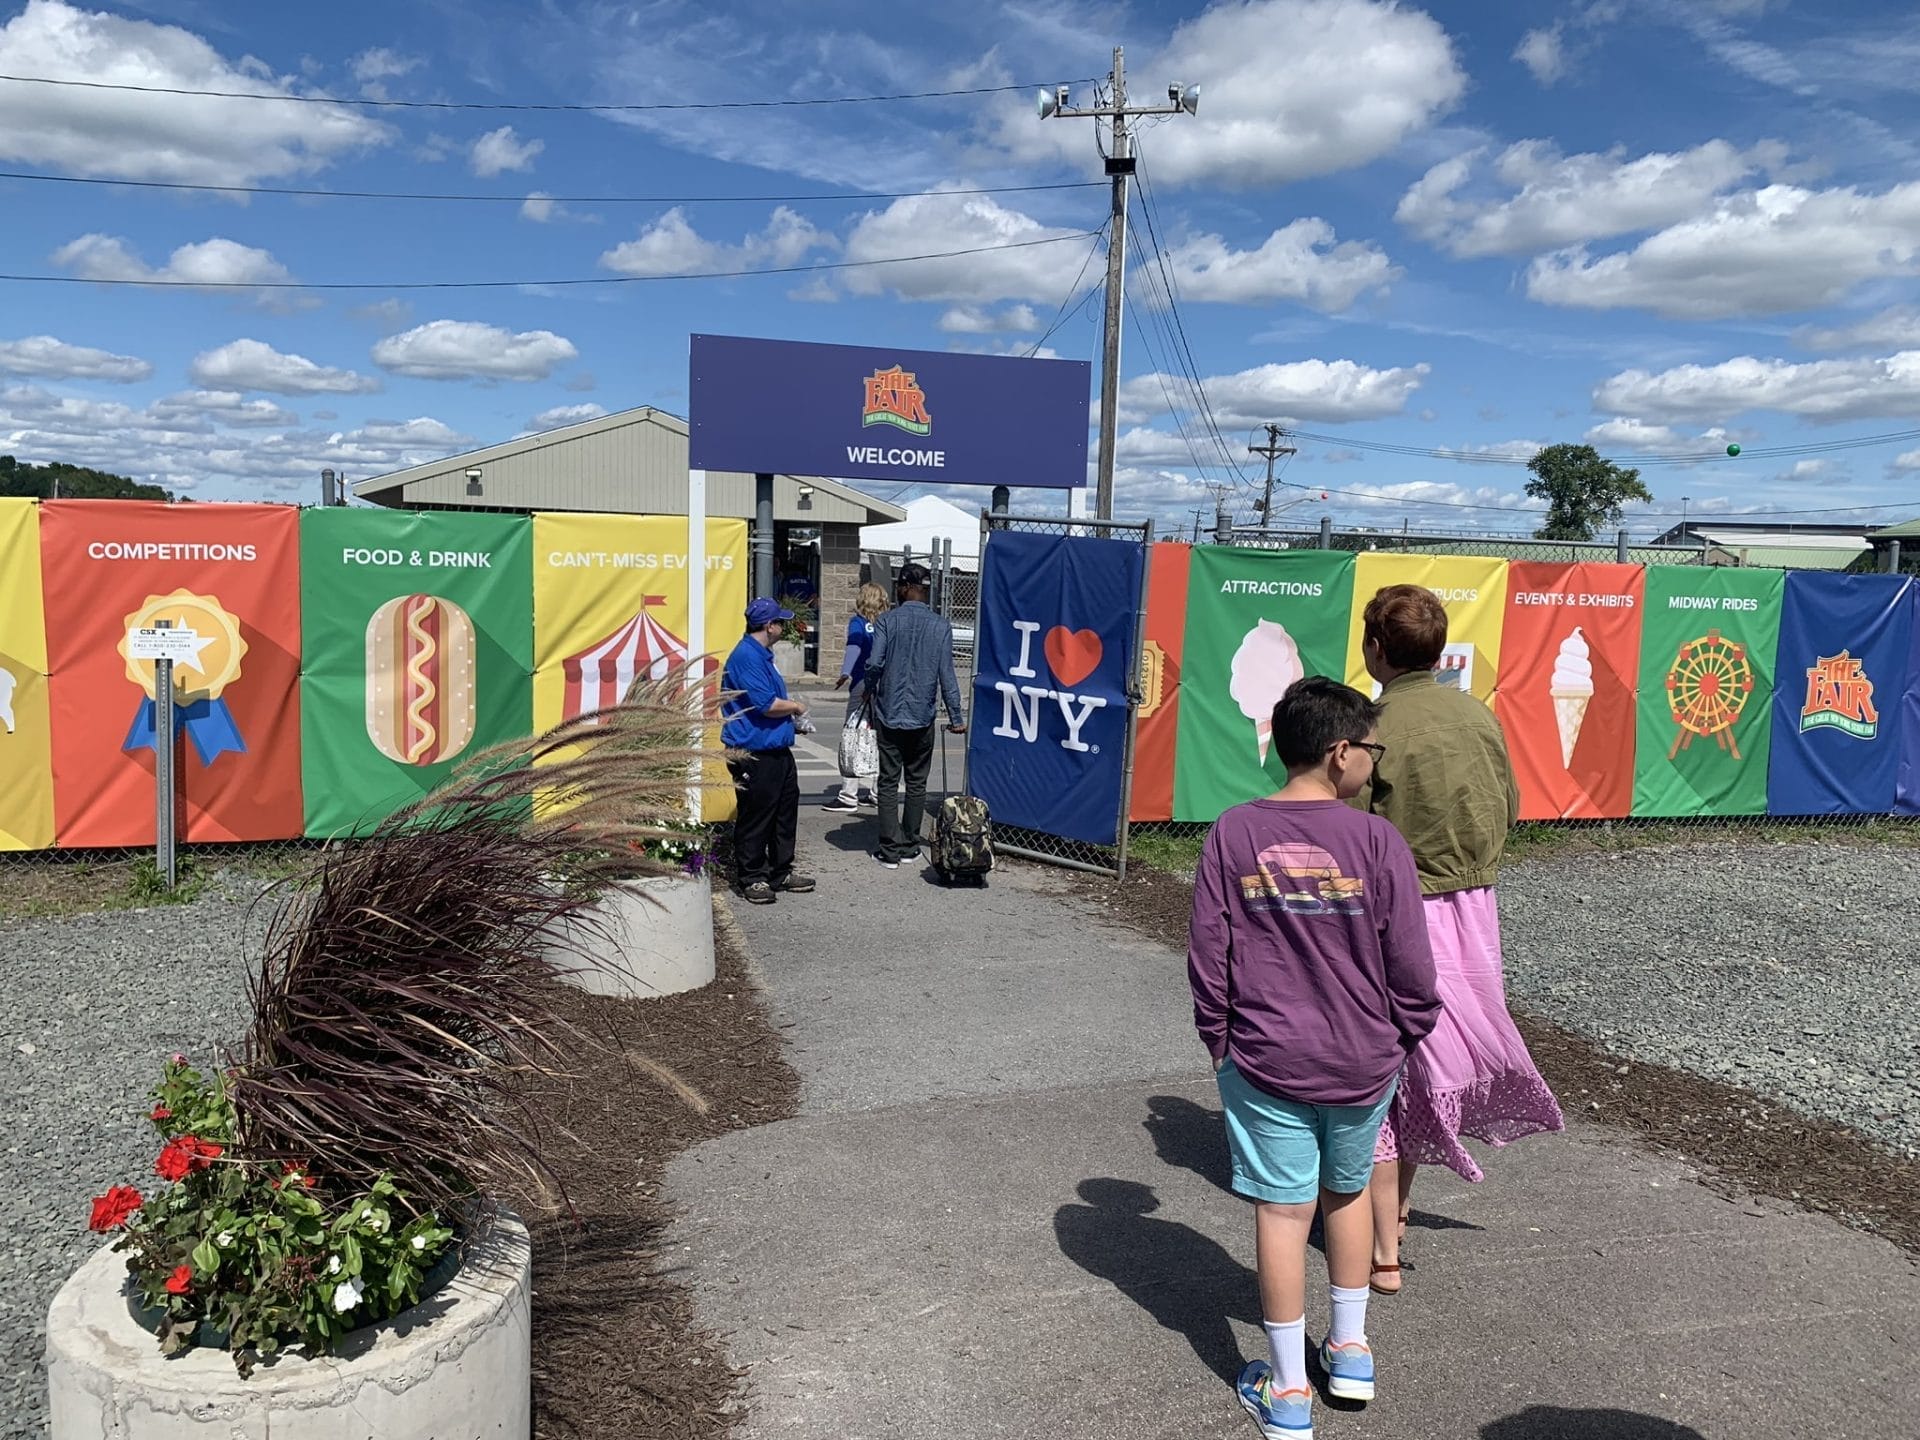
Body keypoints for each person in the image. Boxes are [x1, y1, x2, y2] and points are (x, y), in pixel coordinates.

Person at [1189, 676, 1439, 1439]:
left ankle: (1290, 1392)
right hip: (1364, 1059)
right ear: (1339, 754)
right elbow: (1412, 964)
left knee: (1283, 1209)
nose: (1374, 762)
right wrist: (1408, 1031)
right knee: (1349, 1193)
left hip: (1266, 1058)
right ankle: (1352, 1351)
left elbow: (1209, 952)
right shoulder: (1376, 841)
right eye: (1371, 748)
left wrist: (1220, 1040)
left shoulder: (1233, 833)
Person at [1355, 584, 1565, 1296]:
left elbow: (1348, 830)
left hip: (1397, 909)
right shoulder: (1477, 715)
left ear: (1377, 649)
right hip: (1472, 909)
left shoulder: (1374, 722)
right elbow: (1509, 803)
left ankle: (1381, 1252)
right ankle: (1401, 1213)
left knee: (1380, 1071)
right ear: (1438, 648)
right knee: (1428, 1066)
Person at [864, 562, 966, 870]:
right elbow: (947, 674)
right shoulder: (940, 626)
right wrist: (956, 715)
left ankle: (889, 849)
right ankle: (909, 845)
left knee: (888, 781)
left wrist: (870, 689)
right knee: (917, 782)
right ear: (926, 590)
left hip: (890, 712)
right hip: (923, 714)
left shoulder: (886, 621)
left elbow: (874, 663)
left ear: (905, 587)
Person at [720, 598, 815, 906]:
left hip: (776, 750)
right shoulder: (747, 656)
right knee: (756, 814)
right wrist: (797, 707)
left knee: (784, 811)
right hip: (752, 749)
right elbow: (767, 705)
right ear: (768, 626)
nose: (784, 627)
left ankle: (780, 870)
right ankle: (752, 876)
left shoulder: (763, 654)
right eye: (780, 622)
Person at [822, 582, 891, 813]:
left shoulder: (858, 623)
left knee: (853, 733)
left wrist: (845, 673)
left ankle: (848, 795)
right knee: (881, 737)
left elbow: (854, 647)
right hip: (884, 684)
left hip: (862, 681)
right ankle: (877, 793)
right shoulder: (887, 623)